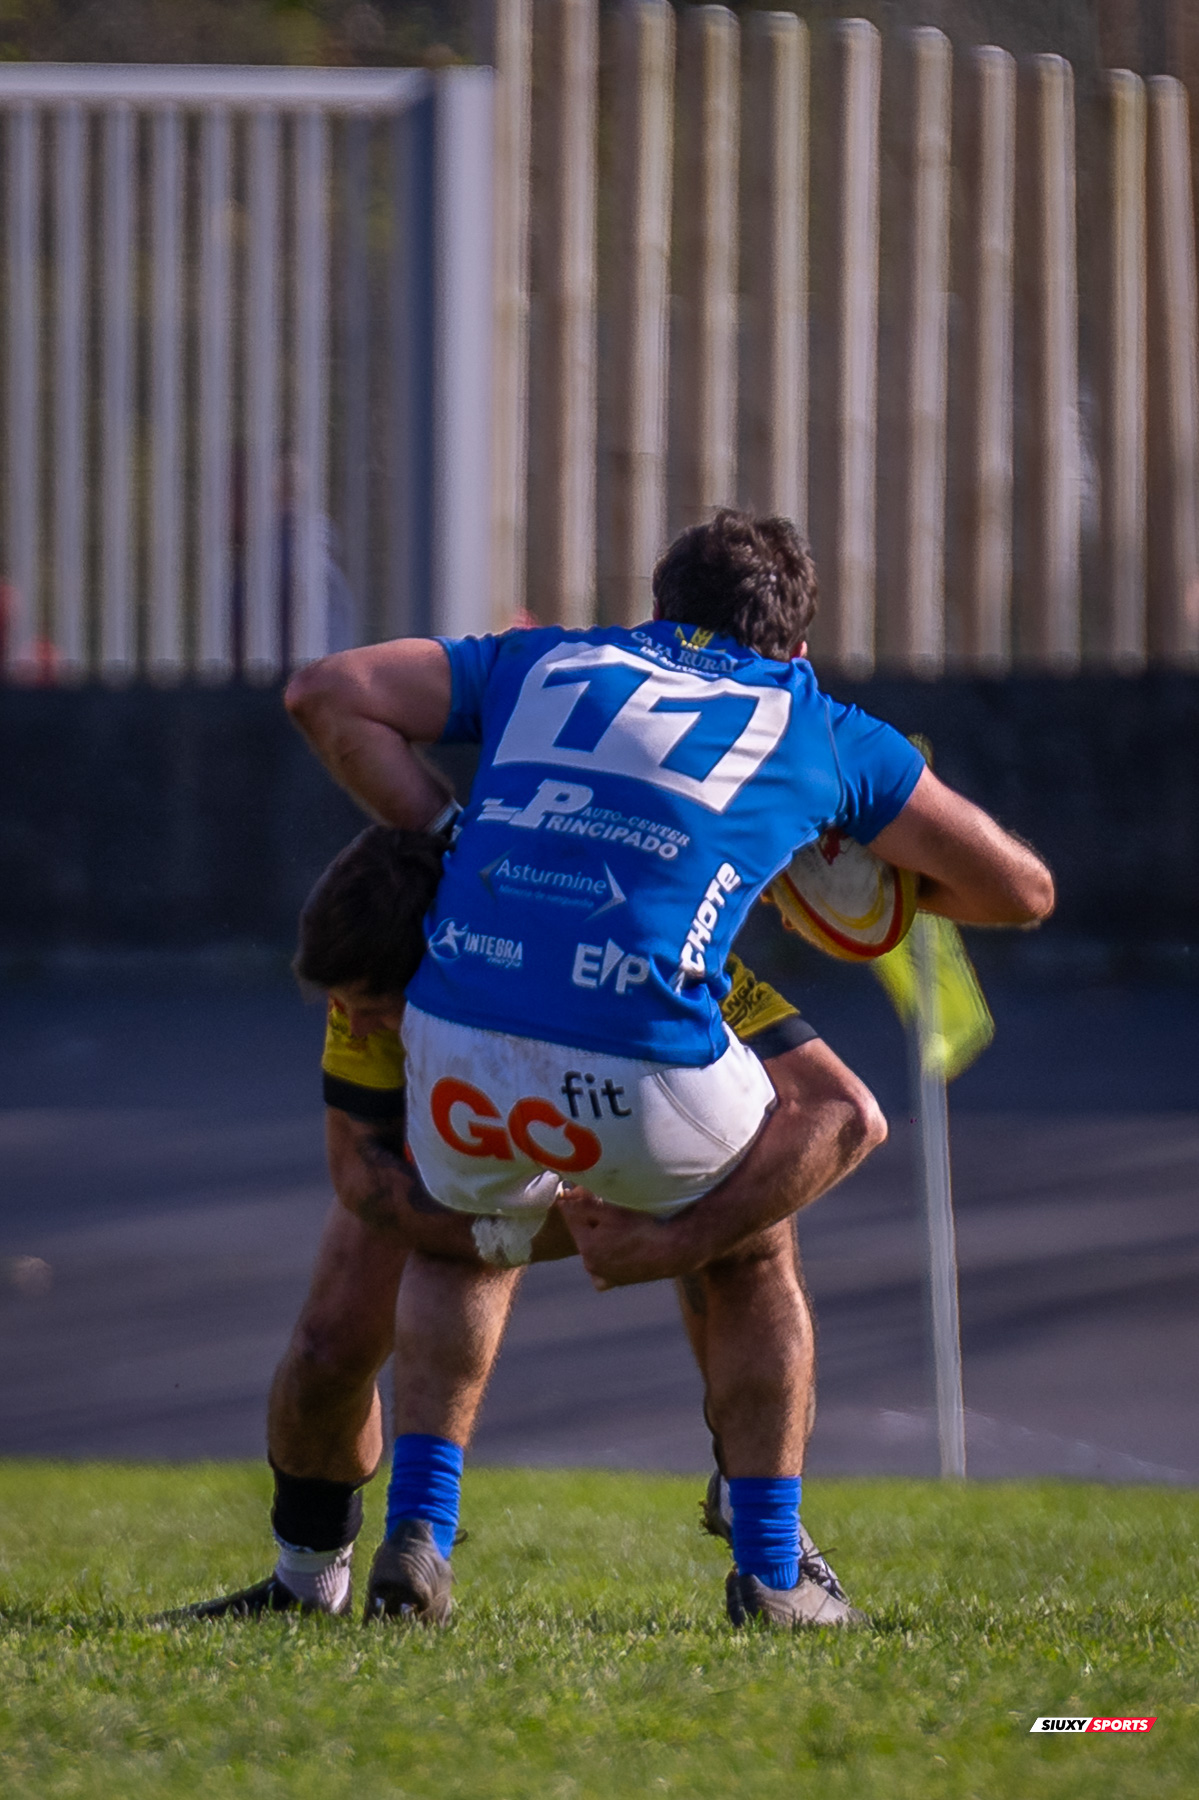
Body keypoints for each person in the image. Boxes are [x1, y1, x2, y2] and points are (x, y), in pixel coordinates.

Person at [282, 509, 1054, 1629]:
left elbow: (326, 692)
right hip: (643, 1042)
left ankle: (420, 1535)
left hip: (454, 1024)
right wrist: (838, 853)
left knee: (467, 1227)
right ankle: (774, 1572)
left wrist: (450, 844)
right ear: (794, 647)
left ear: (653, 609)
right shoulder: (815, 721)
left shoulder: (547, 658)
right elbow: (1020, 891)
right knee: (769, 1214)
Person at [174, 824, 887, 1627]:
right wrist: (512, 1229)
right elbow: (361, 1176)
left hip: (610, 1108)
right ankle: (309, 1580)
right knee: (328, 1342)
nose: (359, 1027)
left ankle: (765, 1533)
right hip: (461, 1151)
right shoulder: (375, 987)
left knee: (744, 1226)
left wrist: (679, 1229)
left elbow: (837, 1109)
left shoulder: (642, 952)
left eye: (374, 1008)